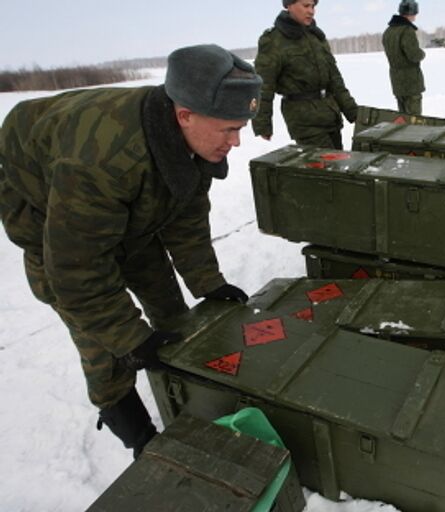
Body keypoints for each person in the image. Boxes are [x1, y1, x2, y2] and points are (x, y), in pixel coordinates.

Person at [0, 44, 262, 458]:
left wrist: (208, 283)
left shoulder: (191, 142)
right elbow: (76, 271)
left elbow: (186, 213)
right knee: (103, 341)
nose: (237, 142)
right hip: (52, 223)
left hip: (123, 218)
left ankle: (186, 394)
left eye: (240, 128)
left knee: (172, 313)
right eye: (228, 129)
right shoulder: (101, 161)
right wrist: (130, 338)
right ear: (184, 114)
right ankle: (137, 434)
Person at [253, 0, 358, 149]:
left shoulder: (316, 36)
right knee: (326, 168)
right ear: (289, 5)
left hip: (329, 115)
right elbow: (264, 85)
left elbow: (335, 80)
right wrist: (262, 124)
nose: (311, 11)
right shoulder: (274, 40)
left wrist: (352, 112)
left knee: (338, 164)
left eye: (313, 6)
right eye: (306, 6)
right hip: (305, 121)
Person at [383, 0, 425, 115]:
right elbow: (414, 55)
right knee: (414, 121)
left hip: (397, 82)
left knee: (403, 119)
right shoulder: (407, 30)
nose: (415, 17)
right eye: (415, 14)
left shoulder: (388, 32)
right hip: (411, 83)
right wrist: (422, 54)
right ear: (411, 13)